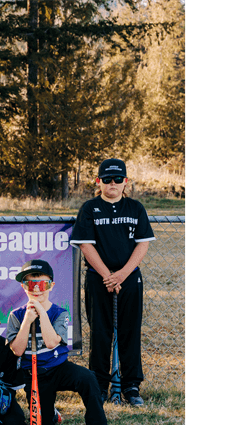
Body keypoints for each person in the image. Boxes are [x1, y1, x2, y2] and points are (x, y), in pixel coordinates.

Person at [70, 158, 155, 407]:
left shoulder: (135, 208)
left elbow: (143, 243)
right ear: (99, 182)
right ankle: (99, 384)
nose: (113, 184)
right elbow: (85, 244)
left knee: (130, 331)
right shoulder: (89, 208)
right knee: (100, 331)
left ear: (125, 182)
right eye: (107, 179)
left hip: (128, 278)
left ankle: (131, 385)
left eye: (118, 179)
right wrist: (108, 275)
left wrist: (122, 275)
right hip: (99, 279)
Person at [4, 260, 111, 425]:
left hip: (59, 368)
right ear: (23, 287)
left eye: (42, 284)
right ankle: (51, 414)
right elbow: (17, 350)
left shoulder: (60, 313)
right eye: (31, 284)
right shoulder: (16, 315)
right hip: (34, 375)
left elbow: (52, 342)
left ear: (51, 286)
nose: (37, 289)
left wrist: (42, 314)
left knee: (88, 379)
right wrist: (27, 321)